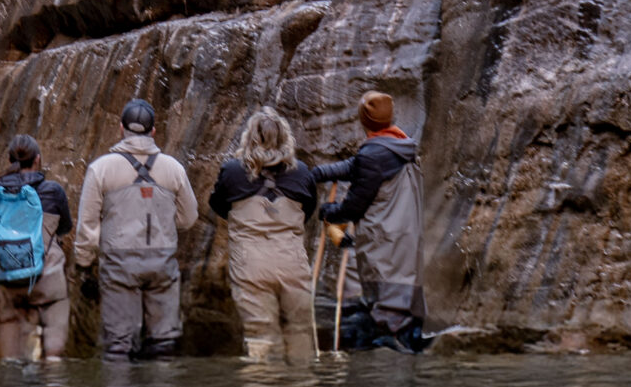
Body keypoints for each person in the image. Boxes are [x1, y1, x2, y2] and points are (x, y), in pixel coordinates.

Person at [75, 97, 198, 360]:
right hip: (162, 262)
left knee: (119, 345)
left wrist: (84, 265)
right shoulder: (174, 168)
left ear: (121, 129)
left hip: (119, 265)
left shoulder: (101, 169)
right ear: (153, 131)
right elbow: (189, 218)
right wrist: (164, 224)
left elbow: (87, 225)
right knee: (164, 343)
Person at [208, 107, 320, 365]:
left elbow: (218, 205)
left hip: (251, 264)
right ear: (285, 138)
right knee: (301, 333)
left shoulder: (233, 171)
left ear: (249, 137)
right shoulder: (302, 172)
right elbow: (309, 210)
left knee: (262, 337)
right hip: (292, 262)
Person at [318, 92, 427, 350]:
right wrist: (321, 173)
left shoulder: (375, 154)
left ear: (364, 120)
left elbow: (355, 206)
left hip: (384, 240)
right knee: (400, 299)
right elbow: (362, 166)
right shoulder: (400, 145)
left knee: (387, 308)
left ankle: (386, 361)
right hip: (404, 237)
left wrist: (330, 212)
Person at [0, 134, 73, 362]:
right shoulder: (53, 191)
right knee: (55, 321)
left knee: (11, 356)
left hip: (7, 277)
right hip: (46, 277)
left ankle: (12, 370)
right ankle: (52, 365)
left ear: (10, 159)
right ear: (38, 159)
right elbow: (65, 228)